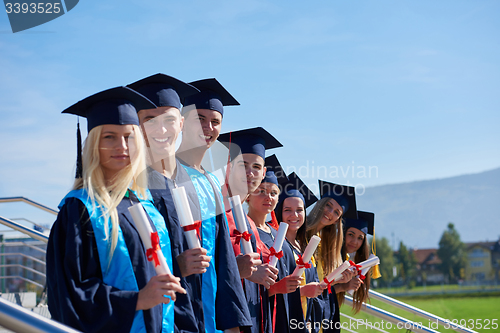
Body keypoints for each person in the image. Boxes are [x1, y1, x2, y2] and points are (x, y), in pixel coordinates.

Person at [46, 86, 185, 333]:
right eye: (109, 136)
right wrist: (138, 300)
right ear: (93, 146)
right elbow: (68, 296)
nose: (121, 145)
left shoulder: (145, 206)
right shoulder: (80, 209)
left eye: (129, 136)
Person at [128, 73, 218, 332]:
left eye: (169, 120)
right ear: (136, 125)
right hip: (155, 320)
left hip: (199, 316)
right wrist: (176, 266)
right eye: (149, 120)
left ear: (181, 124)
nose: (161, 129)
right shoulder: (128, 187)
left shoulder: (197, 185)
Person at [175, 78, 252, 332]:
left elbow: (224, 258)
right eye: (200, 118)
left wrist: (233, 323)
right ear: (183, 122)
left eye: (215, 121)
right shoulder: (165, 176)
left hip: (213, 317)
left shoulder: (210, 181)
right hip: (179, 310)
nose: (208, 127)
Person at [218, 127, 282, 333]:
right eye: (242, 165)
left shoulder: (249, 223)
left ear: (263, 173)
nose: (250, 172)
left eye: (256, 167)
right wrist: (237, 270)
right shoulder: (214, 212)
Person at [305, 180, 357, 332]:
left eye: (336, 212)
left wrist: (342, 280)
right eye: (328, 205)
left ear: (338, 220)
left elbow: (322, 282)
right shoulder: (299, 232)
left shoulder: (327, 246)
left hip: (318, 314)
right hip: (299, 307)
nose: (330, 213)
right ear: (321, 203)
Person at [337, 211, 378, 314]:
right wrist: (344, 286)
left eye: (360, 238)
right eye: (351, 234)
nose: (355, 242)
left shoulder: (347, 261)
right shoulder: (330, 256)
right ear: (343, 232)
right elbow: (321, 289)